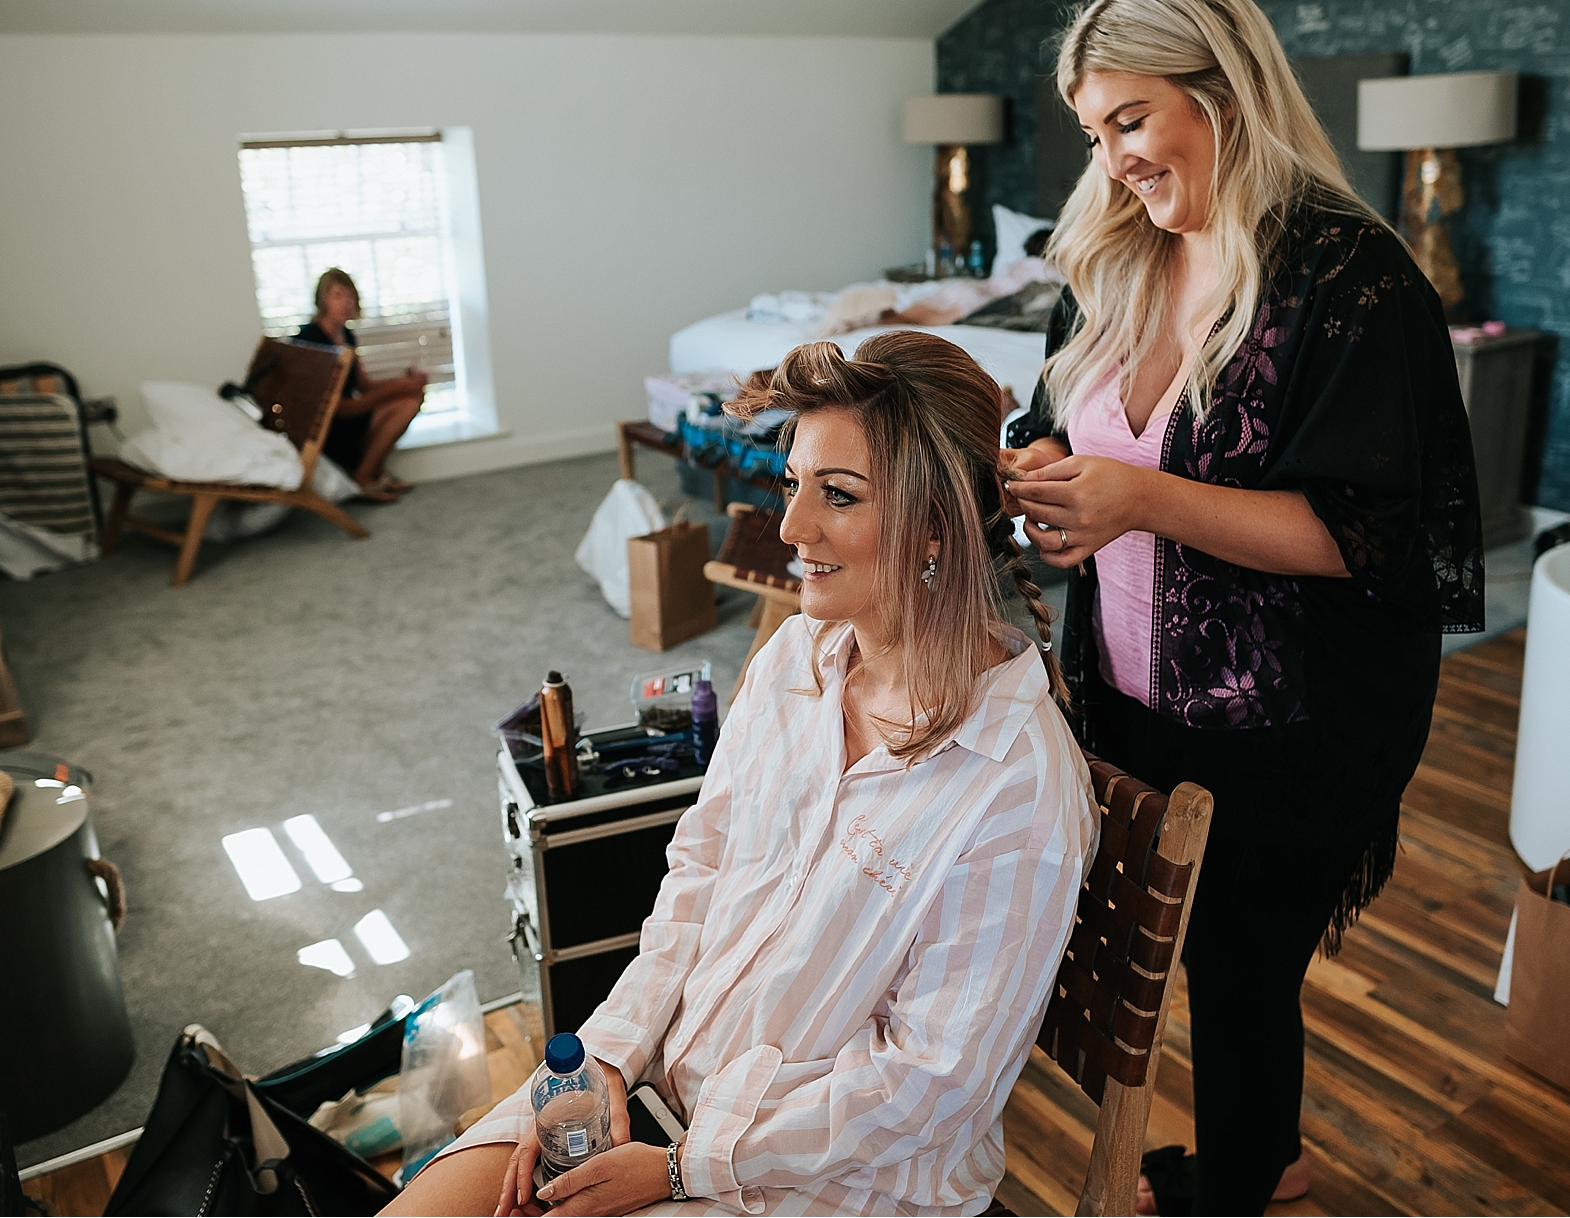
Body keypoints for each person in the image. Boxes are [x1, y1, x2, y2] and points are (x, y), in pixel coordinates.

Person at [385, 331, 1096, 1217]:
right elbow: (703, 871)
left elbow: (930, 1082)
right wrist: (609, 1054)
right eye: (793, 484)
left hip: (829, 1182)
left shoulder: (1015, 784)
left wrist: (689, 1169)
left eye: (837, 496)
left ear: (936, 529)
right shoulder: (794, 659)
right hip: (664, 1085)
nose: (791, 528)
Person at [999, 0, 1484, 1215]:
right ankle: (1250, 1165)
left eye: (1129, 121)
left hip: (1286, 727)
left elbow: (1373, 535)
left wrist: (1140, 499)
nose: (1111, 161)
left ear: (1222, 91)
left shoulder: (1347, 280)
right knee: (1159, 959)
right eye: (1092, 132)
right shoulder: (1108, 258)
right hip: (1124, 692)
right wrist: (1049, 479)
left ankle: (1249, 1181)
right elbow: (1056, 426)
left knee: (1241, 971)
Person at [294, 267, 427, 502]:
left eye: (349, 296)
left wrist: (404, 382)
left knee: (411, 397)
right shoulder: (310, 340)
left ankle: (374, 471)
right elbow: (338, 407)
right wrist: (397, 388)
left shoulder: (346, 335)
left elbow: (364, 386)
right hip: (326, 427)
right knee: (405, 401)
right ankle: (364, 476)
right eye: (337, 296)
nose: (346, 303)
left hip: (347, 416)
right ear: (322, 299)